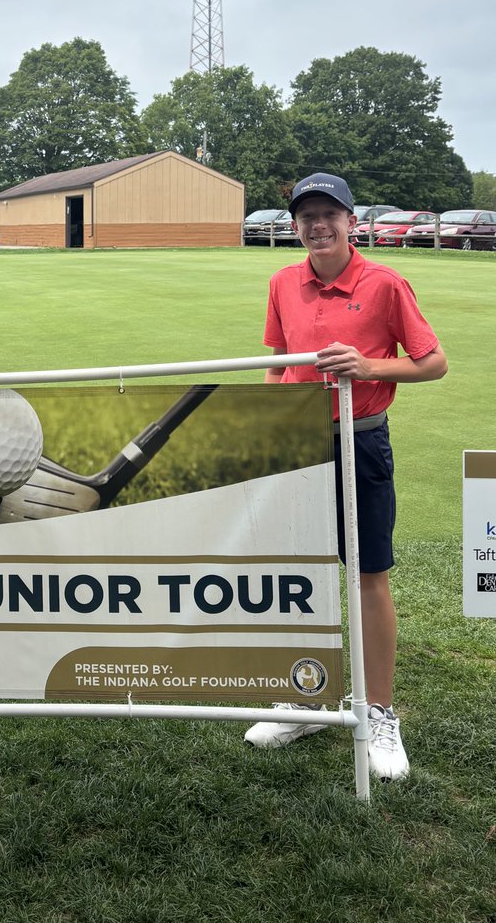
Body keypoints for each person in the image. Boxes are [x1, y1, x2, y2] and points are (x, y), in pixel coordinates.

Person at [244, 172, 447, 780]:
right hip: (301, 444)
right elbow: (277, 366)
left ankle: (380, 712)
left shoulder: (384, 284)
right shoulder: (283, 281)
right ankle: (306, 700)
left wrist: (367, 364)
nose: (317, 226)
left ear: (351, 222)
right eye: (306, 216)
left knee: (368, 576)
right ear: (295, 225)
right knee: (300, 577)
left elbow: (433, 362)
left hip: (362, 443)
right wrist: (276, 426)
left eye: (328, 214)